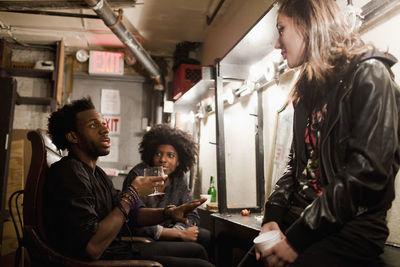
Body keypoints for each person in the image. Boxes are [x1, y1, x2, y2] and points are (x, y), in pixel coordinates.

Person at [248, 0, 400, 266]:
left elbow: (367, 173)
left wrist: (297, 239)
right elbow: (297, 164)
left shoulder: (370, 73)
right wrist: (272, 216)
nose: (276, 44)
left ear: (309, 24)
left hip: (347, 231)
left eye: (281, 29)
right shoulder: (307, 88)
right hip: (301, 221)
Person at [44, 97, 214, 267]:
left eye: (104, 123)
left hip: (119, 250)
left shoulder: (98, 174)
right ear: (74, 136)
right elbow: (92, 248)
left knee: (198, 250)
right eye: (94, 125)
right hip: (105, 260)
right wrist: (133, 193)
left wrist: (168, 213)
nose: (105, 129)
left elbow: (133, 214)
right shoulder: (69, 172)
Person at [122, 124, 213, 260]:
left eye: (170, 155)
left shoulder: (179, 177)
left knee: (206, 236)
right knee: (198, 251)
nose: (163, 159)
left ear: (178, 161)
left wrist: (179, 230)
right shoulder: (139, 175)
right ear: (151, 155)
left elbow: (192, 214)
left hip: (170, 230)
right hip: (142, 238)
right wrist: (177, 234)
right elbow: (133, 220)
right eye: (158, 154)